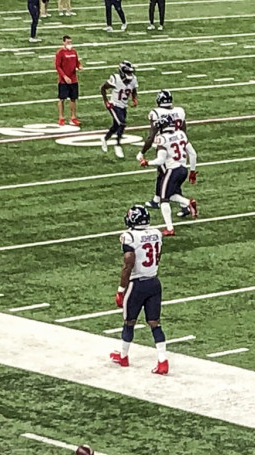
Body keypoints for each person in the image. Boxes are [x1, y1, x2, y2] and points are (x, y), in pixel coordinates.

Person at [111, 204, 170, 373]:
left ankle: (123, 356)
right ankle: (162, 360)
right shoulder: (157, 233)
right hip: (154, 282)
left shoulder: (129, 237)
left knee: (129, 322)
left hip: (137, 284)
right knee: (155, 323)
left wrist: (121, 289)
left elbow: (128, 263)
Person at [139, 115, 198, 234]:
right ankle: (187, 203)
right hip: (183, 169)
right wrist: (192, 171)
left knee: (164, 199)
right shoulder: (181, 134)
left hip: (172, 170)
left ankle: (170, 228)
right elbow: (193, 154)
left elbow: (160, 160)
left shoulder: (162, 138)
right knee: (170, 194)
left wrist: (147, 162)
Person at [101, 60, 139, 159]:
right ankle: (117, 145)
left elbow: (134, 90)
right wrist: (106, 101)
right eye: (128, 72)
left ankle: (105, 139)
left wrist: (134, 99)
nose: (130, 75)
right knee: (122, 123)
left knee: (115, 126)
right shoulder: (115, 79)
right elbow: (103, 88)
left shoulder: (133, 79)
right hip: (114, 105)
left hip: (123, 106)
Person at [55, 35, 82, 126]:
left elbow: (77, 62)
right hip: (63, 81)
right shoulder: (60, 53)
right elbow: (58, 66)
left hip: (73, 79)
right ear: (64, 42)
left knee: (73, 99)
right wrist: (64, 76)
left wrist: (79, 66)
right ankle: (61, 117)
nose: (69, 44)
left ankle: (73, 117)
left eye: (70, 42)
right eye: (68, 42)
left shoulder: (74, 52)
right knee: (61, 99)